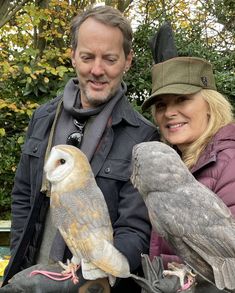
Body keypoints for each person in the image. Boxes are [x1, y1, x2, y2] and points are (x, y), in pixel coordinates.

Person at [1, 5, 159, 292]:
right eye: (87, 57)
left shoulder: (143, 136)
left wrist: (91, 279)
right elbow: (24, 196)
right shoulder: (43, 118)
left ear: (127, 61)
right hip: (33, 278)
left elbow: (136, 230)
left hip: (95, 283)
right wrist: (23, 263)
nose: (97, 70)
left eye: (110, 59)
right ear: (72, 56)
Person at [142, 56, 235, 292]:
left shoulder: (229, 162)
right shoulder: (174, 163)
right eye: (161, 105)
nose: (169, 113)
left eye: (182, 100)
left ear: (211, 104)